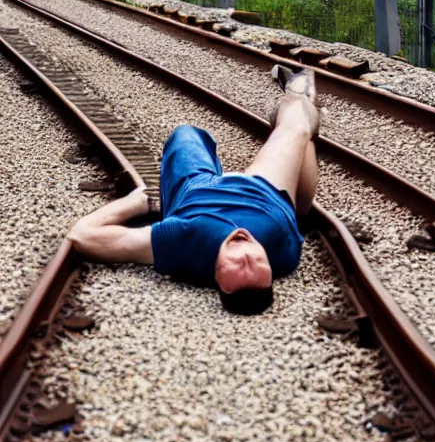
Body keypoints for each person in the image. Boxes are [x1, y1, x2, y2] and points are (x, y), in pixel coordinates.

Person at [67, 66, 320, 315]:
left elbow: (81, 236)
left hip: (196, 189)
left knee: (185, 135)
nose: (246, 250)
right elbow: (297, 212)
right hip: (265, 187)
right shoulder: (284, 257)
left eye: (236, 261)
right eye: (258, 260)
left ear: (217, 277)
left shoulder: (182, 243)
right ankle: (298, 94)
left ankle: (296, 114)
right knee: (297, 129)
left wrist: (136, 203)